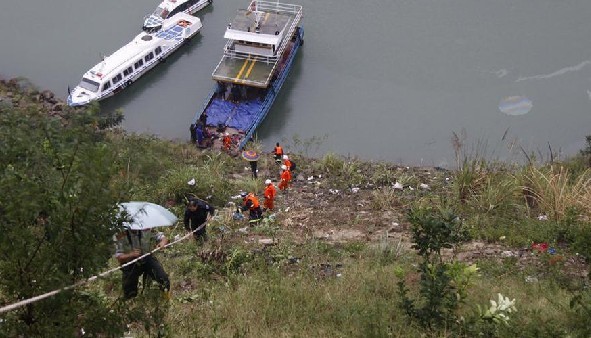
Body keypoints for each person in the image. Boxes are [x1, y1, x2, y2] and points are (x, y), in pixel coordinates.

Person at [114, 228, 170, 300]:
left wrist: (162, 243)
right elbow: (119, 257)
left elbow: (163, 238)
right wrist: (131, 254)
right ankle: (130, 303)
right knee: (130, 292)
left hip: (146, 258)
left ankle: (166, 299)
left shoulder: (146, 229)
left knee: (163, 278)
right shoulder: (120, 235)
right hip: (130, 262)